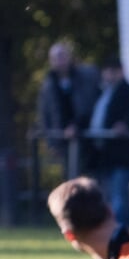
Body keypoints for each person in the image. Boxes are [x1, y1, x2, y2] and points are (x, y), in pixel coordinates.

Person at [85, 58, 129, 229]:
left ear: (121, 71)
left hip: (122, 155)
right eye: (106, 71)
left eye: (113, 71)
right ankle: (108, 228)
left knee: (119, 196)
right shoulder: (99, 93)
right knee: (105, 196)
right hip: (101, 155)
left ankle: (121, 230)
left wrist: (126, 124)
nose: (109, 75)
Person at [37, 41, 100, 177]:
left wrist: (77, 126)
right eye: (55, 58)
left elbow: (89, 105)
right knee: (70, 178)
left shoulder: (85, 77)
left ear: (69, 57)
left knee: (91, 177)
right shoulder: (48, 86)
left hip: (87, 139)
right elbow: (45, 114)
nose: (59, 61)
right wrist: (52, 142)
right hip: (63, 142)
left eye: (62, 56)